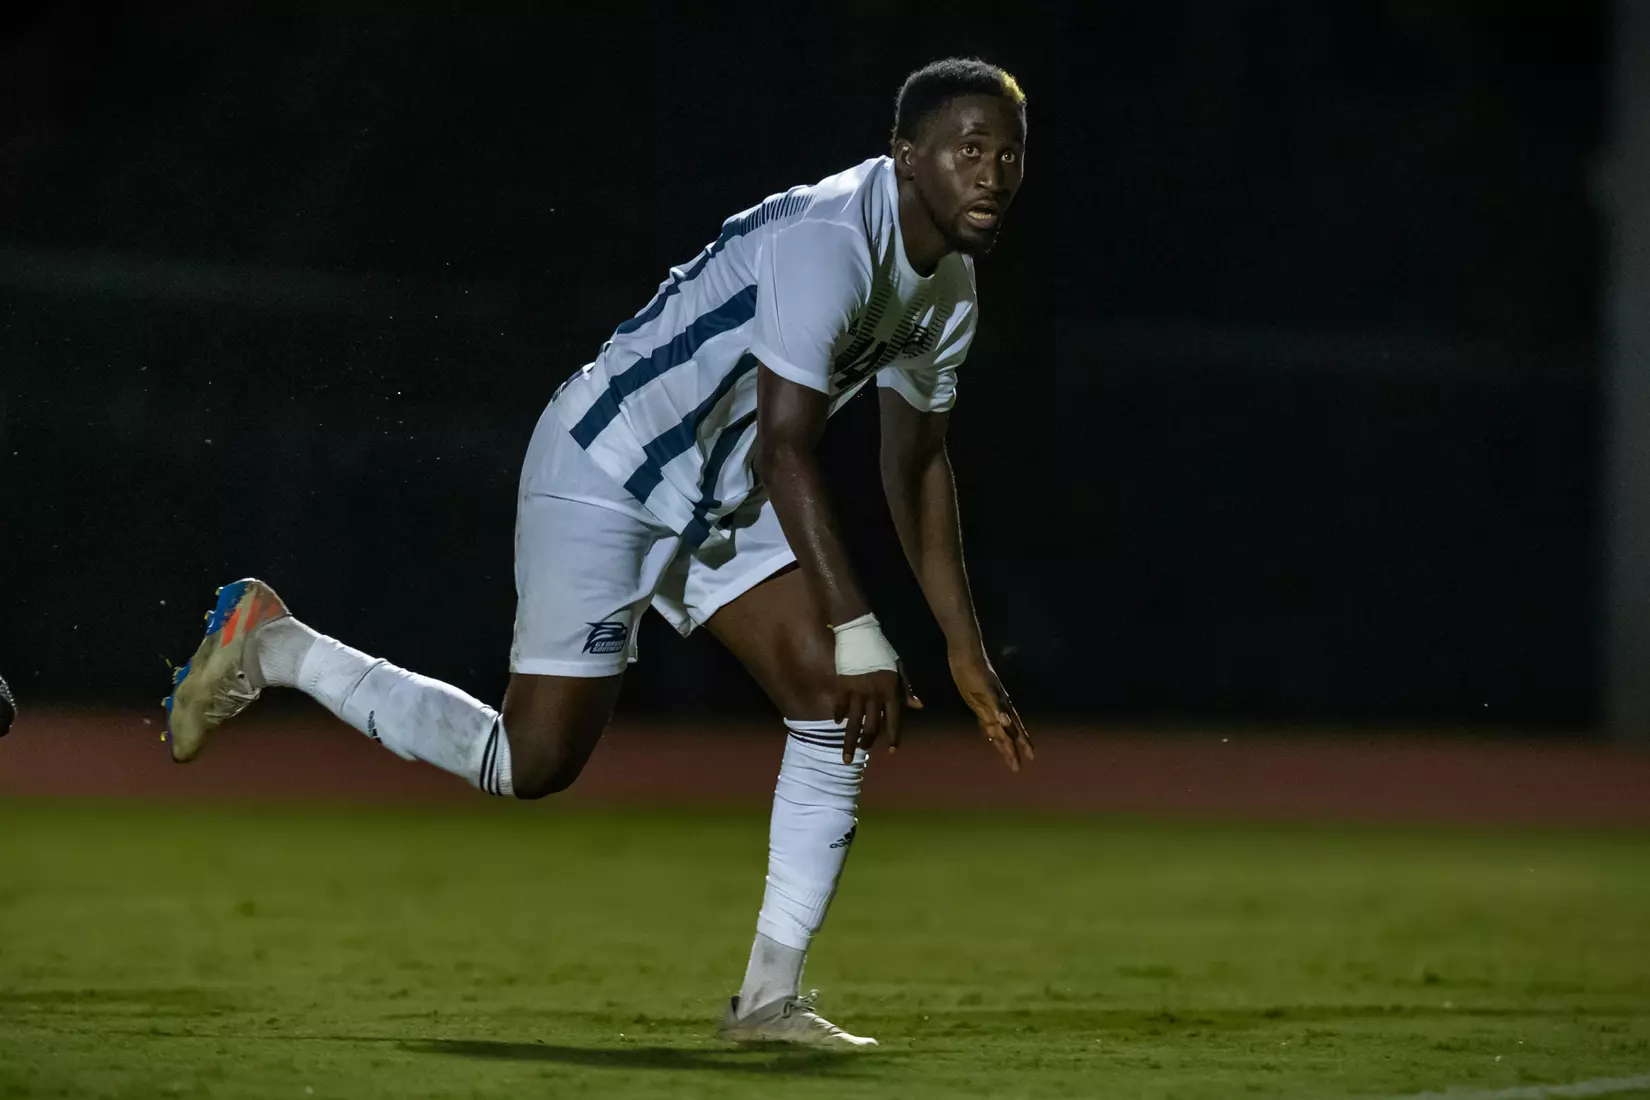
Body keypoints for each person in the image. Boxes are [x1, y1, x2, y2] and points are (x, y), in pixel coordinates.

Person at [165, 56, 1033, 1048]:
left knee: (831, 700)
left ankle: (766, 1000)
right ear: (906, 156)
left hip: (719, 487)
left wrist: (962, 646)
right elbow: (789, 443)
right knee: (530, 760)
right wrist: (859, 625)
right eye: (969, 149)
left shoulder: (950, 288)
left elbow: (915, 464)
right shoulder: (834, 238)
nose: (993, 173)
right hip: (610, 459)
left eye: (1009, 153)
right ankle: (276, 644)